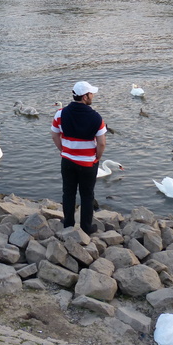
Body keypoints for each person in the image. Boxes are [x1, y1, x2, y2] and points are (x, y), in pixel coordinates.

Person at [50, 81, 107, 235]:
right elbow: (101, 143)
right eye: (91, 93)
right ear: (85, 96)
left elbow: (54, 134)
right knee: (87, 195)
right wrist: (96, 158)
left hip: (67, 161)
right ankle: (86, 228)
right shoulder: (96, 118)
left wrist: (63, 150)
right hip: (88, 164)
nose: (93, 96)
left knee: (68, 192)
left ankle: (68, 224)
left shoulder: (60, 114)